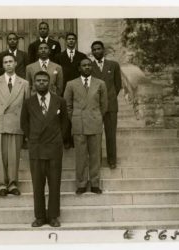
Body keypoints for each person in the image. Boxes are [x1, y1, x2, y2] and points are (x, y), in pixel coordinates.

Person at [21, 71, 68, 227]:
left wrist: (58, 138)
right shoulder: (28, 102)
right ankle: (40, 217)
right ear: (34, 84)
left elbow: (65, 123)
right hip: (37, 148)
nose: (41, 83)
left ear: (50, 83)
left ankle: (53, 216)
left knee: (55, 184)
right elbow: (24, 124)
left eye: (44, 81)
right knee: (37, 185)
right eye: (38, 81)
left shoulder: (59, 101)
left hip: (54, 148)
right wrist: (32, 138)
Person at [64, 58, 108, 195]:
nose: (87, 67)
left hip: (95, 122)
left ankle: (95, 183)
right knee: (81, 156)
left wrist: (96, 116)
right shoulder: (71, 84)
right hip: (79, 123)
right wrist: (76, 118)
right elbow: (67, 105)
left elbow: (104, 105)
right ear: (79, 68)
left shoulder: (100, 83)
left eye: (89, 65)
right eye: (84, 65)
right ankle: (81, 183)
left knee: (95, 155)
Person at [0, 53, 30, 197]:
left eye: (11, 61)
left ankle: (12, 184)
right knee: (0, 155)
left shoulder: (24, 83)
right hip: (0, 122)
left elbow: (26, 105)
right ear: (2, 65)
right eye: (5, 62)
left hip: (16, 122)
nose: (8, 64)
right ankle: (2, 184)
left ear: (16, 63)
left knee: (13, 156)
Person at [90, 41, 122, 169]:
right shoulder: (89, 67)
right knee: (96, 135)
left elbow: (118, 85)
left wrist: (109, 98)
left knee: (110, 133)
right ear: (92, 52)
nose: (97, 51)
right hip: (95, 106)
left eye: (99, 49)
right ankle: (96, 161)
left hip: (111, 105)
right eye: (94, 50)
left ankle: (112, 160)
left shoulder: (113, 65)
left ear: (103, 50)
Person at [55, 32, 87, 149]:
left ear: (76, 41)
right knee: (65, 114)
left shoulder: (82, 56)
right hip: (64, 89)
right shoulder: (59, 57)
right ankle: (66, 139)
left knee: (78, 113)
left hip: (79, 88)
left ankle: (77, 139)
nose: (71, 41)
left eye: (73, 39)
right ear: (65, 41)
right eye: (69, 39)